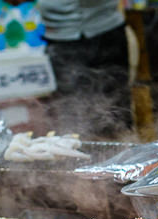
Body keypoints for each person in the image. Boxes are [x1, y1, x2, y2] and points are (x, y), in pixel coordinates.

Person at [32, 0, 132, 138]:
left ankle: (121, 150)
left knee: (117, 107)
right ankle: (78, 152)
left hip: (106, 27)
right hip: (61, 35)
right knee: (71, 110)